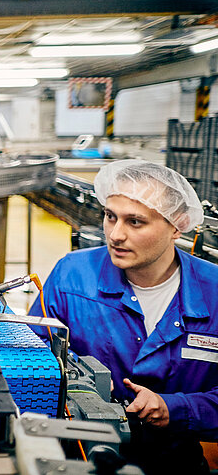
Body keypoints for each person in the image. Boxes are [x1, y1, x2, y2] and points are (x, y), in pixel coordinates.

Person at [28, 160, 217, 474]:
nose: (115, 235)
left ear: (177, 226)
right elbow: (31, 360)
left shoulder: (214, 292)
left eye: (135, 222)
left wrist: (174, 409)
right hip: (80, 458)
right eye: (110, 216)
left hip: (174, 463)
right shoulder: (72, 275)